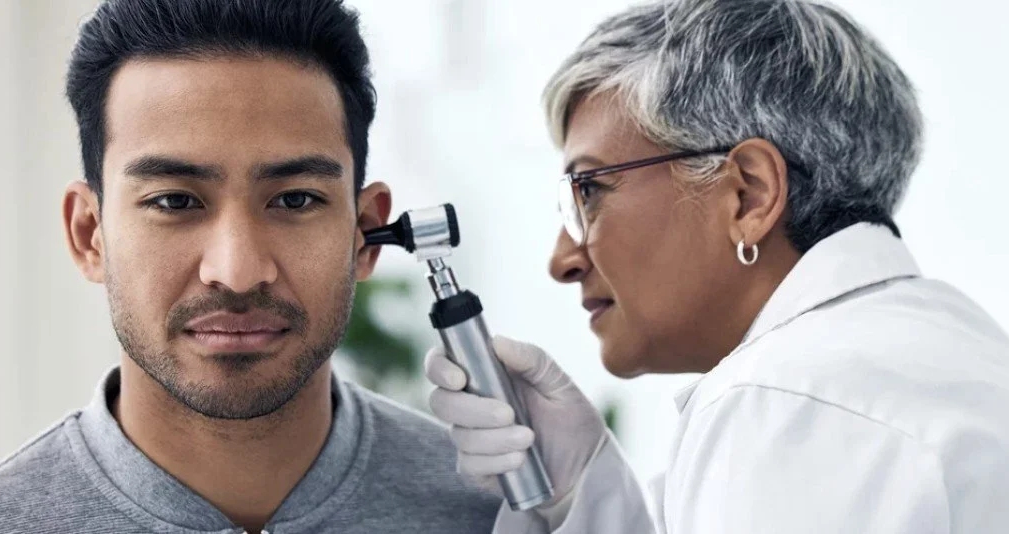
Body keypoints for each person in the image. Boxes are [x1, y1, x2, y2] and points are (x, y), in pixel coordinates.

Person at [424, 0, 1009, 532]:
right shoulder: (950, 347)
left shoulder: (782, 400)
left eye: (590, 191)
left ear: (749, 195)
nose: (563, 260)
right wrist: (578, 492)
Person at [0, 1, 500, 533]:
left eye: (295, 200)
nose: (237, 272)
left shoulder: (500, 516)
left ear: (365, 235)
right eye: (174, 201)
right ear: (90, 235)